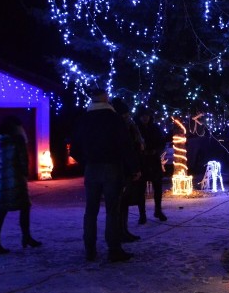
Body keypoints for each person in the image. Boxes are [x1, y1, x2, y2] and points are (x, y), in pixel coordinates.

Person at [70, 88, 136, 262]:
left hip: (91, 168)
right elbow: (125, 145)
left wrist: (87, 161)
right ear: (106, 99)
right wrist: (133, 167)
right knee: (112, 210)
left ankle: (89, 249)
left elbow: (74, 149)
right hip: (112, 167)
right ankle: (113, 249)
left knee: (90, 210)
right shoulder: (114, 119)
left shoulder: (83, 119)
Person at [0, 116, 41, 254]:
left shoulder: (0, 140)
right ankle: (26, 237)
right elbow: (23, 158)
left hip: (2, 180)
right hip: (16, 179)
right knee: (25, 207)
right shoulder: (18, 139)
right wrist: (25, 173)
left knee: (1, 212)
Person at [111, 98, 144, 242]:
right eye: (125, 114)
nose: (127, 116)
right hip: (122, 168)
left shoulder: (129, 125)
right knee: (120, 202)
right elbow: (126, 148)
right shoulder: (119, 127)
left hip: (128, 167)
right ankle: (119, 233)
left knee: (124, 202)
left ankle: (123, 230)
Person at [135, 107, 168, 222]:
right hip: (142, 162)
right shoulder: (136, 128)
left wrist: (156, 150)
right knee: (141, 189)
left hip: (153, 161)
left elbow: (161, 142)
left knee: (158, 187)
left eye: (147, 116)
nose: (145, 118)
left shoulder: (155, 128)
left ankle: (158, 210)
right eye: (143, 116)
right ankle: (142, 214)